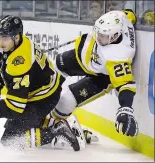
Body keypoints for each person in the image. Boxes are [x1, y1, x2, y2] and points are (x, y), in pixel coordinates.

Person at [0, 15, 80, 151]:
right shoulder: (15, 44)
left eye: (5, 38)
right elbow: (4, 66)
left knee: (10, 140)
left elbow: (16, 106)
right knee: (14, 124)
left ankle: (56, 131)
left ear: (16, 37)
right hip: (39, 91)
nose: (0, 41)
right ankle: (53, 123)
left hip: (44, 98)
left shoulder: (21, 60)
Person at [46, 9, 139, 137]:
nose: (98, 38)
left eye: (103, 36)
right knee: (51, 69)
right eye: (98, 33)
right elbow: (129, 13)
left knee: (67, 101)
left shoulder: (119, 56)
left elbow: (125, 84)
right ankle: (37, 105)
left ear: (115, 36)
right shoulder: (122, 18)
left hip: (101, 77)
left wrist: (126, 109)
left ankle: (50, 125)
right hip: (83, 57)